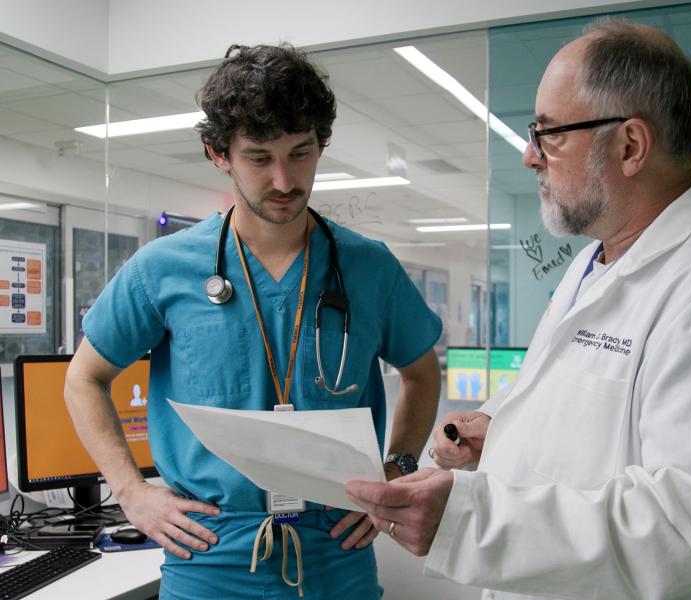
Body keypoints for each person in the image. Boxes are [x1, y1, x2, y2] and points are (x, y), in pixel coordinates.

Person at [347, 18, 691, 600]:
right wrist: (497, 426)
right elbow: (571, 397)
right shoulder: (599, 259)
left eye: (548, 134)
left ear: (630, 146)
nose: (529, 157)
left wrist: (466, 521)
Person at [64, 44, 442, 599]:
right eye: (260, 158)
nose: (286, 180)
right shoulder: (164, 269)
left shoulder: (369, 268)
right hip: (208, 557)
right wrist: (131, 493)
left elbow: (421, 372)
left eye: (302, 152)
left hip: (336, 554)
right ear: (219, 153)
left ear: (321, 144)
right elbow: (84, 378)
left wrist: (397, 470)